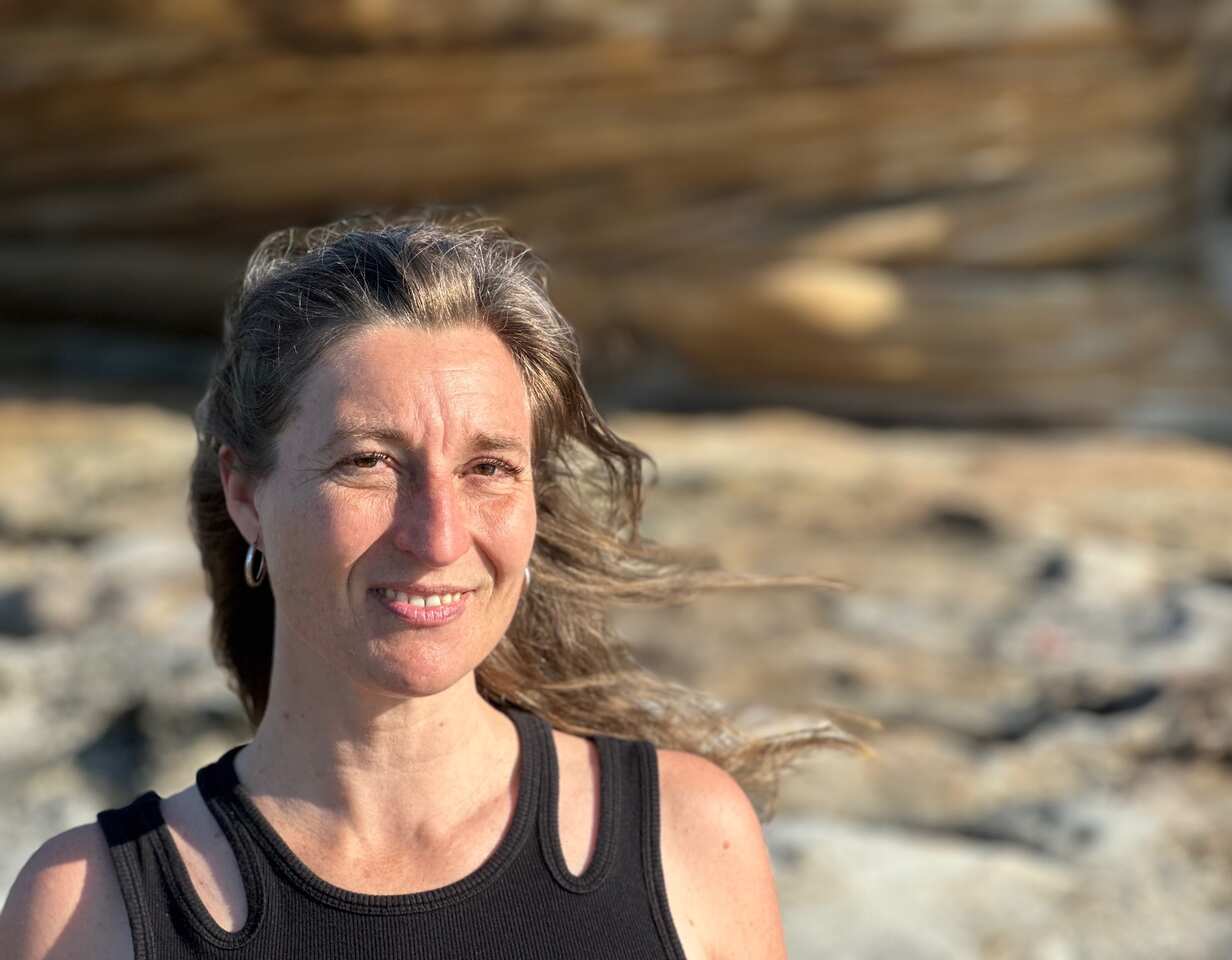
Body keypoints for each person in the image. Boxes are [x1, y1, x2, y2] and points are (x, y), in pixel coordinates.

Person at [0, 211, 861, 959]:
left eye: (488, 468)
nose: (439, 536)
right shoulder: (88, 910)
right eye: (369, 462)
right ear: (246, 493)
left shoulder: (686, 840)